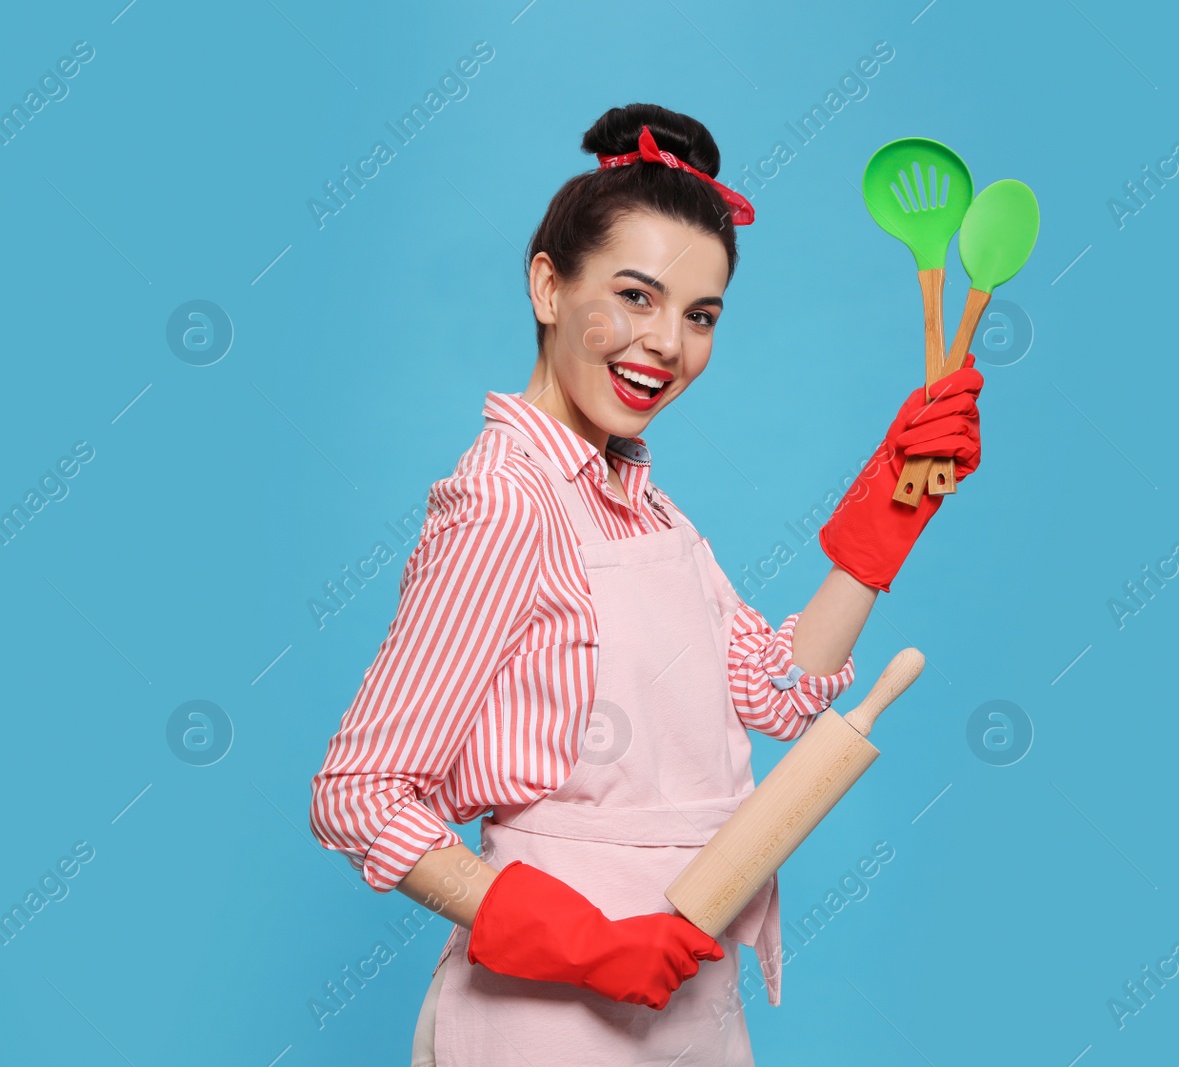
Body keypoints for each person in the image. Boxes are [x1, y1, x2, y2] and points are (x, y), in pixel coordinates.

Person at [307, 102, 984, 1066]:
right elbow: (359, 792)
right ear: (548, 285)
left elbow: (774, 687)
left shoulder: (648, 508)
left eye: (699, 315)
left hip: (692, 994)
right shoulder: (503, 501)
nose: (667, 344)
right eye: (635, 296)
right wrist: (583, 944)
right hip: (547, 1020)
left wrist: (892, 512)